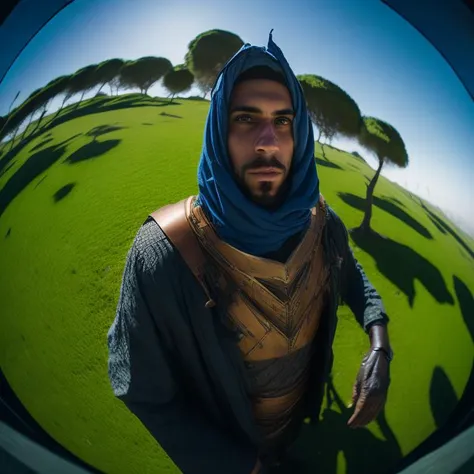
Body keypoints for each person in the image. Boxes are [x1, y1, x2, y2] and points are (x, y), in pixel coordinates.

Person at [107, 30, 393, 474]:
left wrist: (380, 346)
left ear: (299, 132)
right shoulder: (161, 252)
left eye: (283, 120)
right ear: (219, 129)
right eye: (245, 118)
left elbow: (353, 277)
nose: (268, 141)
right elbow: (143, 389)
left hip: (300, 418)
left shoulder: (322, 222)